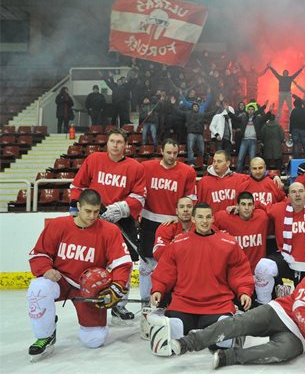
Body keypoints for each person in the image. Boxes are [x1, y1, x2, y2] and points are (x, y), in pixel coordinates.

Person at [156, 256, 305, 370]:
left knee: (279, 353)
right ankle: (187, 343)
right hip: (279, 312)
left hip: (298, 337)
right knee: (238, 322)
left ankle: (230, 356)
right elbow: (300, 309)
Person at [27, 189, 132, 361]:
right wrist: (46, 269)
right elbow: (39, 253)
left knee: (94, 340)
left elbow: (122, 262)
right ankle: (45, 335)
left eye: (96, 212)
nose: (92, 216)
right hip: (61, 281)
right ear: (78, 207)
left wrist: (117, 286)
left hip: (90, 289)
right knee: (38, 288)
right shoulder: (57, 225)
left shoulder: (110, 230)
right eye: (88, 211)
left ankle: (93, 327)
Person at [69, 128, 145, 321]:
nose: (116, 145)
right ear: (107, 143)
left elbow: (139, 197)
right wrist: (75, 212)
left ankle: (119, 304)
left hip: (122, 222)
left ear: (126, 145)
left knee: (124, 263)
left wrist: (121, 209)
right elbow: (77, 187)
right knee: (95, 261)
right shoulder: (94, 160)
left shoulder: (135, 167)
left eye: (120, 142)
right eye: (112, 141)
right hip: (95, 219)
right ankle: (92, 301)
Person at [150, 202, 255, 337]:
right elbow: (166, 269)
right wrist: (158, 288)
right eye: (200, 217)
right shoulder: (178, 242)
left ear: (212, 219)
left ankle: (227, 329)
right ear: (193, 219)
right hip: (183, 304)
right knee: (173, 335)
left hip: (218, 304)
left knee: (221, 339)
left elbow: (239, 270)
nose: (204, 221)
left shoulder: (228, 243)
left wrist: (244, 291)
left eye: (208, 217)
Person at [253, 182, 305, 304]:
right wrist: (237, 207)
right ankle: (263, 305)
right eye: (293, 192)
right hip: (286, 259)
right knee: (263, 267)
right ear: (288, 197)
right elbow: (259, 204)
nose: (297, 195)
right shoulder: (278, 209)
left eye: (300, 191)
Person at [139, 139, 197, 303]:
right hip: (149, 221)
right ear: (161, 151)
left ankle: (170, 299)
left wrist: (177, 216)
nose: (172, 156)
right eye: (169, 152)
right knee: (146, 263)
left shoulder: (187, 171)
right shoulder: (146, 167)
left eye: (175, 153)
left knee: (173, 263)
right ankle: (145, 300)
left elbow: (191, 199)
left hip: (173, 223)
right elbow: (138, 191)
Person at [215, 192, 269, 272]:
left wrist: (257, 203)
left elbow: (270, 207)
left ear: (254, 206)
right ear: (237, 206)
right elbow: (208, 225)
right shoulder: (224, 217)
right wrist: (218, 235)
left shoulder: (262, 217)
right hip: (236, 271)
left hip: (258, 272)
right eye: (243, 204)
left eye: (250, 204)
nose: (246, 208)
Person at [153, 196, 195, 262]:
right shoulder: (165, 227)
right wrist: (177, 244)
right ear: (176, 211)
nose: (185, 209)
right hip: (172, 268)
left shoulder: (202, 229)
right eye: (181, 207)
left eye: (189, 206)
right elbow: (158, 253)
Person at [235, 102, 266, 172]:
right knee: (240, 158)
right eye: (249, 109)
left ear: (254, 111)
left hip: (253, 141)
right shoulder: (244, 118)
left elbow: (264, 118)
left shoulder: (257, 118)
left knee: (252, 160)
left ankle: (251, 175)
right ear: (247, 110)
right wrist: (228, 111)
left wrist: (269, 111)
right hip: (244, 140)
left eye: (252, 109)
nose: (251, 111)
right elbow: (235, 118)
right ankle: (238, 174)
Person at [184, 101, 207, 166]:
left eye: (197, 106)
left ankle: (200, 162)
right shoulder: (188, 114)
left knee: (202, 149)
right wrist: (173, 104)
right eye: (194, 106)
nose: (196, 107)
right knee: (190, 148)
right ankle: (191, 162)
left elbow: (209, 114)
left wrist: (217, 107)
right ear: (192, 107)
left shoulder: (201, 115)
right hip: (191, 133)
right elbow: (179, 112)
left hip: (199, 134)